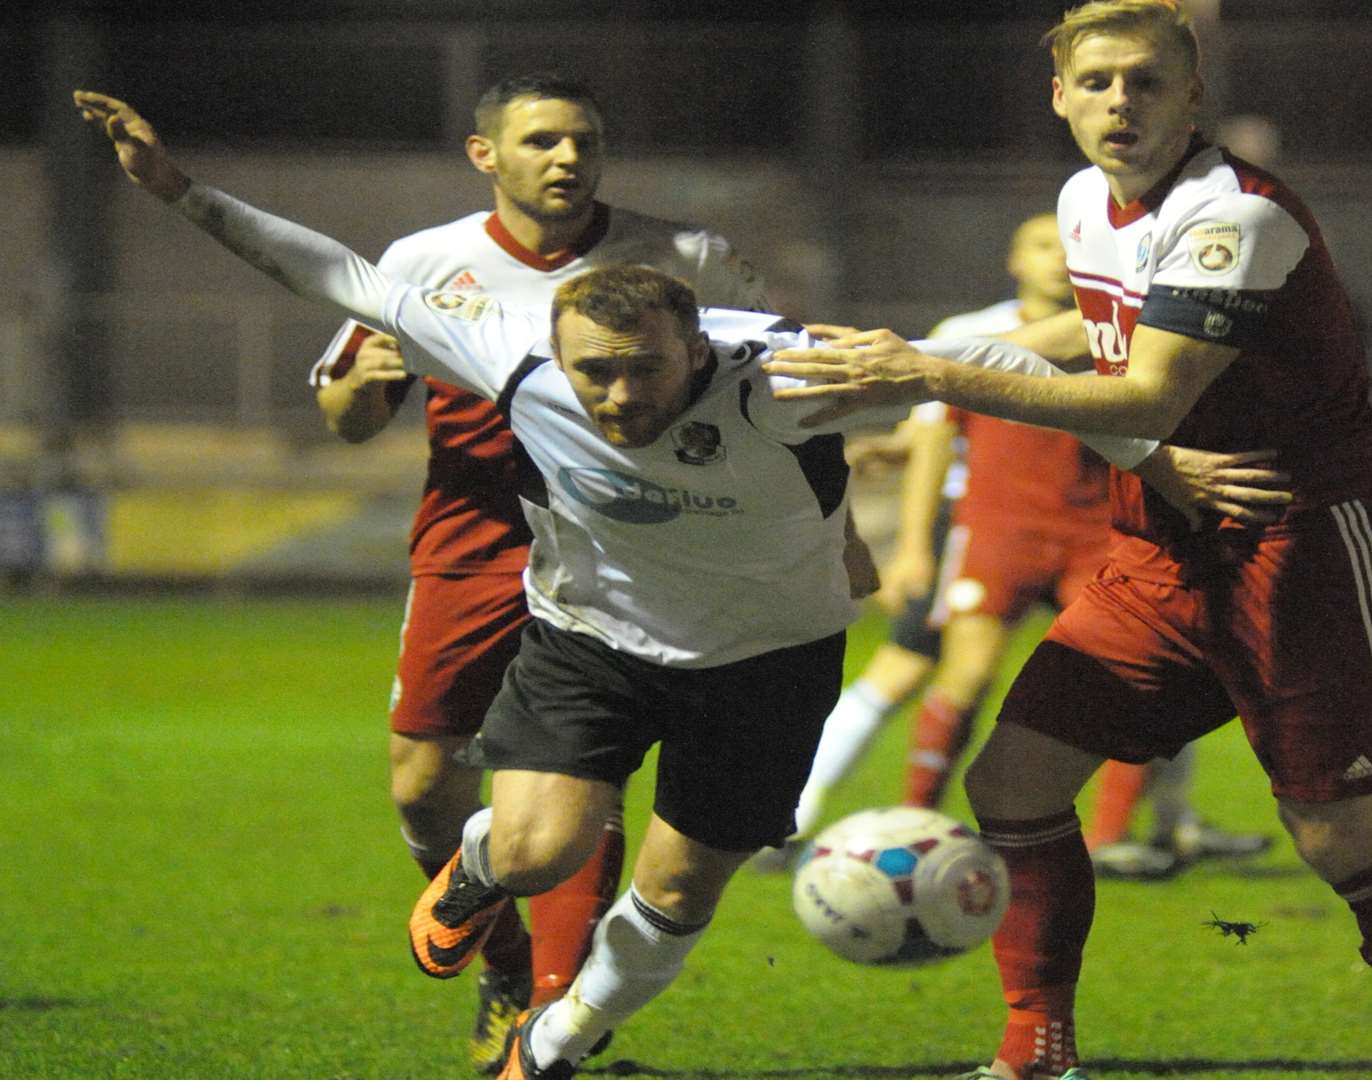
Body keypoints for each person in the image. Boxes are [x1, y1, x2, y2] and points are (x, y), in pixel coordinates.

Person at [73, 88, 1283, 1080]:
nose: (614, 400)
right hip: (595, 634)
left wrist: (1164, 460)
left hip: (769, 660)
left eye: (641, 372)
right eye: (591, 378)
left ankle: (553, 1044)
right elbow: (323, 270)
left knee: (674, 892)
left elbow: (987, 362)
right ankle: (484, 872)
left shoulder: (789, 376)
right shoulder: (510, 354)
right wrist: (178, 192)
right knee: (543, 847)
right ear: (547, 356)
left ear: (697, 344)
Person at [765, 4, 1372, 1078]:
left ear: (1193, 97)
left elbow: (1148, 383)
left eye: (1149, 81)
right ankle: (1036, 1053)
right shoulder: (1084, 201)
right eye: (1101, 81)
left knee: (1339, 839)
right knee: (1014, 785)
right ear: (1061, 96)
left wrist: (926, 375)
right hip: (1160, 548)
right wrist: (929, 353)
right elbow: (1096, 325)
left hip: (1294, 543)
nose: (1123, 102)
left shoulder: (1234, 215)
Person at [305, 73, 779, 1072]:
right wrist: (362, 388)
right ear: (486, 155)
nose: (568, 158)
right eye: (542, 142)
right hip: (471, 546)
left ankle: (551, 1022)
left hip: (633, 549)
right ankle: (510, 966)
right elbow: (346, 419)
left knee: (583, 781)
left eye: (584, 141)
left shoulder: (688, 258)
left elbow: (774, 393)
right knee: (426, 784)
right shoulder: (423, 262)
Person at [790, 213, 1274, 880]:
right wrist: (913, 541)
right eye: (1042, 247)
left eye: (1069, 248)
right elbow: (938, 431)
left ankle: (1115, 836)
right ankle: (916, 824)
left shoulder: (1124, 332)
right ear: (1014, 259)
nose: (1058, 260)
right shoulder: (967, 336)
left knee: (1135, 679)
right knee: (964, 675)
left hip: (1097, 533)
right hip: (998, 530)